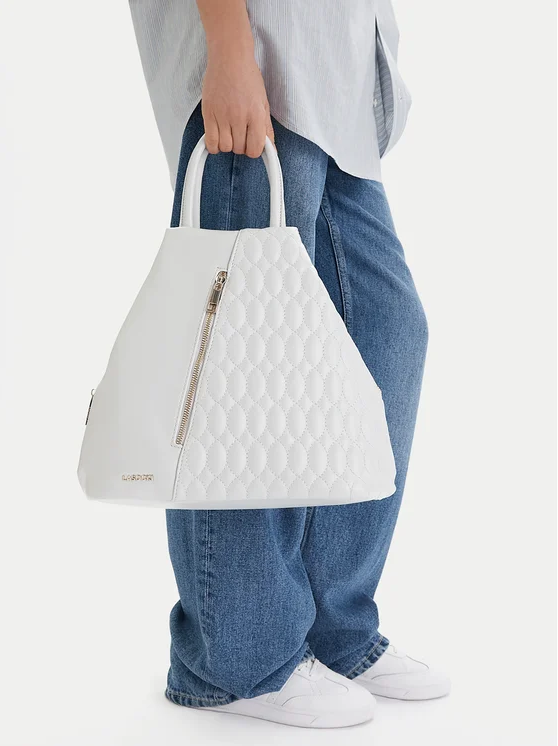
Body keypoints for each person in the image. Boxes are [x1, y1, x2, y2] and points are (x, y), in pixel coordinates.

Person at [129, 0, 450, 728]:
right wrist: (229, 48)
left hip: (330, 83)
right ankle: (238, 657)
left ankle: (333, 628)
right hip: (261, 56)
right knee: (243, 363)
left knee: (389, 330)